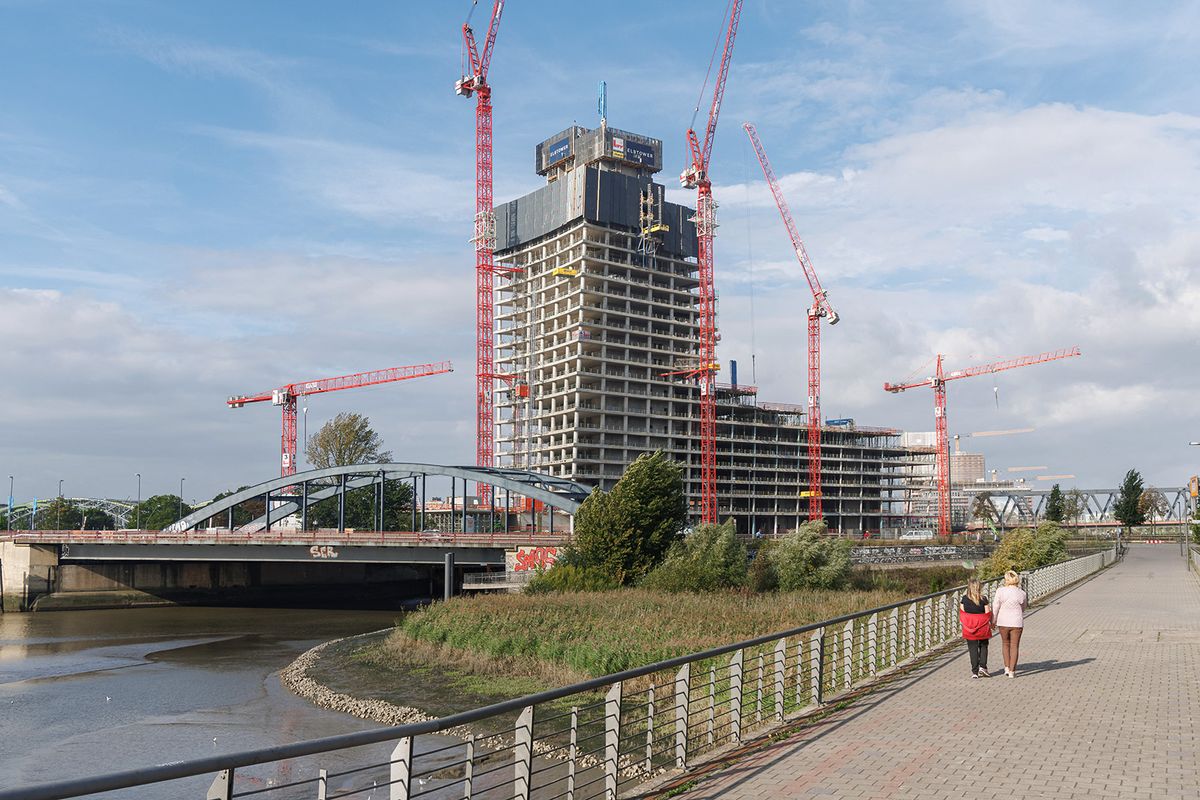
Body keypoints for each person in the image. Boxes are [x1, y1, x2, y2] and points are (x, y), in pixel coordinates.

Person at [993, 570, 1028, 678]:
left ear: (1006, 580)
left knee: (1005, 644)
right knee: (1014, 646)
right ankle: (1012, 671)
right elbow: (1024, 607)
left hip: (1003, 621)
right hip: (1016, 622)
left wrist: (993, 621)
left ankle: (1007, 667)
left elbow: (996, 607)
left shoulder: (1000, 591)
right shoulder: (1022, 593)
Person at [959, 578, 992, 678]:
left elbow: (962, 614)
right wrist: (992, 623)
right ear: (979, 587)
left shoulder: (964, 599)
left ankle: (974, 672)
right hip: (982, 628)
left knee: (972, 648)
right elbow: (988, 614)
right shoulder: (983, 599)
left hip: (969, 628)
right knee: (983, 646)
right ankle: (983, 667)